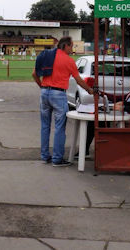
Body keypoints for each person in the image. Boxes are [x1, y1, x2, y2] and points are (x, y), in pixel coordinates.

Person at [32, 36, 93, 167]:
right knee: (60, 127)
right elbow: (79, 81)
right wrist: (89, 90)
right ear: (65, 46)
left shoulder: (48, 56)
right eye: (71, 46)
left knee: (45, 125)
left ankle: (44, 156)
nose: (72, 49)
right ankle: (57, 159)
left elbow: (34, 74)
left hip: (45, 92)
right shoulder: (69, 61)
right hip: (58, 94)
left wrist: (42, 86)